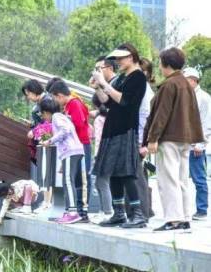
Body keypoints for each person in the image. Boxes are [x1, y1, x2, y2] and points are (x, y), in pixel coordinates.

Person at [143, 47, 204, 232]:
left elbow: (161, 114)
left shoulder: (169, 84)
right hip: (185, 138)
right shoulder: (186, 84)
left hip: (169, 137)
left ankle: (173, 219)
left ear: (166, 64)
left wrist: (152, 138)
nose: (160, 66)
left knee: (168, 178)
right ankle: (184, 217)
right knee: (182, 179)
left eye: (161, 63)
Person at [92, 43, 147, 228]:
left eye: (121, 58)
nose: (118, 62)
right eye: (116, 59)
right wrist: (98, 87)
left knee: (126, 172)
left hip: (126, 129)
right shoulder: (123, 77)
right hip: (113, 129)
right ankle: (119, 213)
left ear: (131, 57)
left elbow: (124, 101)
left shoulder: (138, 77)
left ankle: (138, 214)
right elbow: (108, 102)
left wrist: (104, 83)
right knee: (113, 171)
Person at [50, 80, 91, 222]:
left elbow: (78, 124)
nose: (55, 102)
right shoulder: (68, 106)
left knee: (81, 179)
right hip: (75, 146)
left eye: (55, 98)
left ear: (60, 95)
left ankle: (82, 211)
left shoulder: (74, 103)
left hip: (80, 144)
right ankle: (75, 210)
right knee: (74, 178)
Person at [40, 97, 84, 224]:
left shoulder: (56, 117)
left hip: (71, 151)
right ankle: (69, 211)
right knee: (67, 181)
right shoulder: (61, 116)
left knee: (68, 181)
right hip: (71, 152)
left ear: (46, 112)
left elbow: (65, 130)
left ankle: (73, 212)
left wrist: (50, 141)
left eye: (42, 114)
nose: (43, 118)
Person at [184, 66, 211, 220]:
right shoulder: (186, 96)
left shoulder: (204, 98)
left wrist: (200, 144)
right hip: (184, 143)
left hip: (196, 145)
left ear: (194, 80)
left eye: (187, 80)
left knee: (199, 178)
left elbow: (207, 123)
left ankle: (202, 209)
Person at [135, 57, 156, 219]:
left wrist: (145, 143)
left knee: (139, 176)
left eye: (142, 71)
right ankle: (146, 209)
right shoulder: (142, 89)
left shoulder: (146, 92)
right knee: (140, 175)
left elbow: (148, 119)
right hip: (139, 137)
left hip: (141, 138)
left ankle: (143, 211)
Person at [90, 93, 113, 222]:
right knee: (100, 183)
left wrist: (97, 156)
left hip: (101, 154)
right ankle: (103, 211)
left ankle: (107, 212)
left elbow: (99, 139)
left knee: (102, 183)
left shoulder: (99, 119)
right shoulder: (110, 116)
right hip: (109, 153)